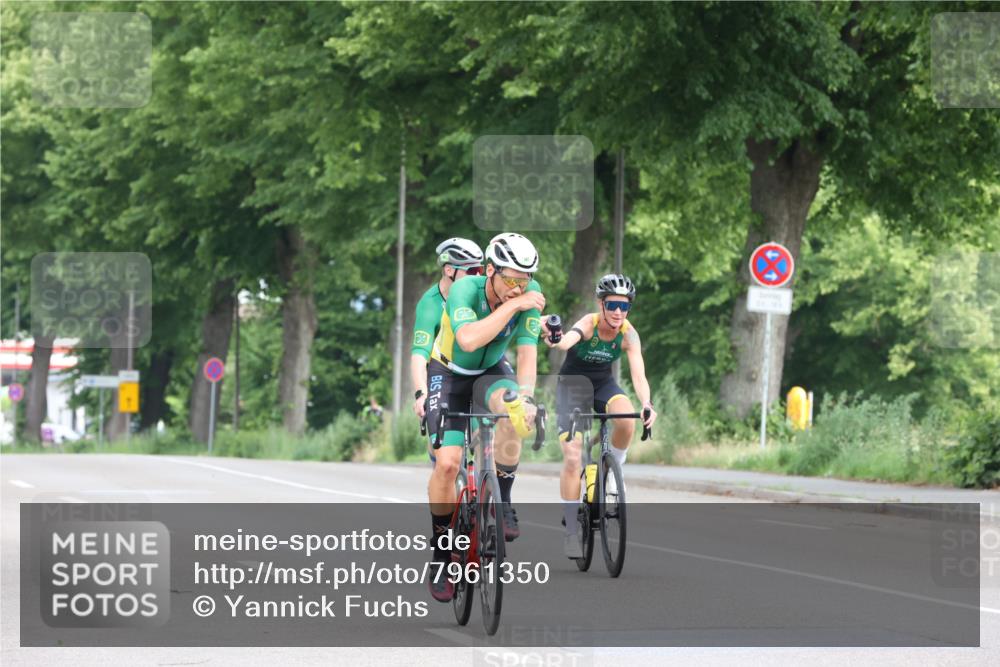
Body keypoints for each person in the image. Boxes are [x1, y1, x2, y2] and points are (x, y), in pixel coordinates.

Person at [425, 232, 545, 602]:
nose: (518, 288)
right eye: (511, 280)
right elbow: (468, 340)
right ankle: (442, 553)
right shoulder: (466, 290)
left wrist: (526, 396)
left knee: (513, 409)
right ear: (490, 270)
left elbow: (527, 352)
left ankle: (503, 499)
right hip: (448, 374)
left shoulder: (530, 293)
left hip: (492, 372)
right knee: (448, 464)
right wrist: (514, 305)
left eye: (525, 281)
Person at [545, 273, 657, 558]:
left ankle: (613, 471)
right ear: (601, 304)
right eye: (612, 305)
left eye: (624, 306)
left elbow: (639, 375)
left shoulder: (629, 334)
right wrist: (555, 338)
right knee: (573, 458)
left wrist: (647, 403)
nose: (618, 312)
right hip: (572, 387)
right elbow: (565, 342)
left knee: (626, 418)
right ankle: (571, 530)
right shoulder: (589, 323)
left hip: (603, 385)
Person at [411, 237, 484, 461]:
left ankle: (487, 480)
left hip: (474, 367)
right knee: (444, 449)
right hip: (442, 370)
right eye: (471, 271)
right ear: (449, 270)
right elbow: (419, 354)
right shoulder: (430, 304)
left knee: (485, 434)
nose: (478, 276)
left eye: (480, 270)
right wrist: (421, 392)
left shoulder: (478, 293)